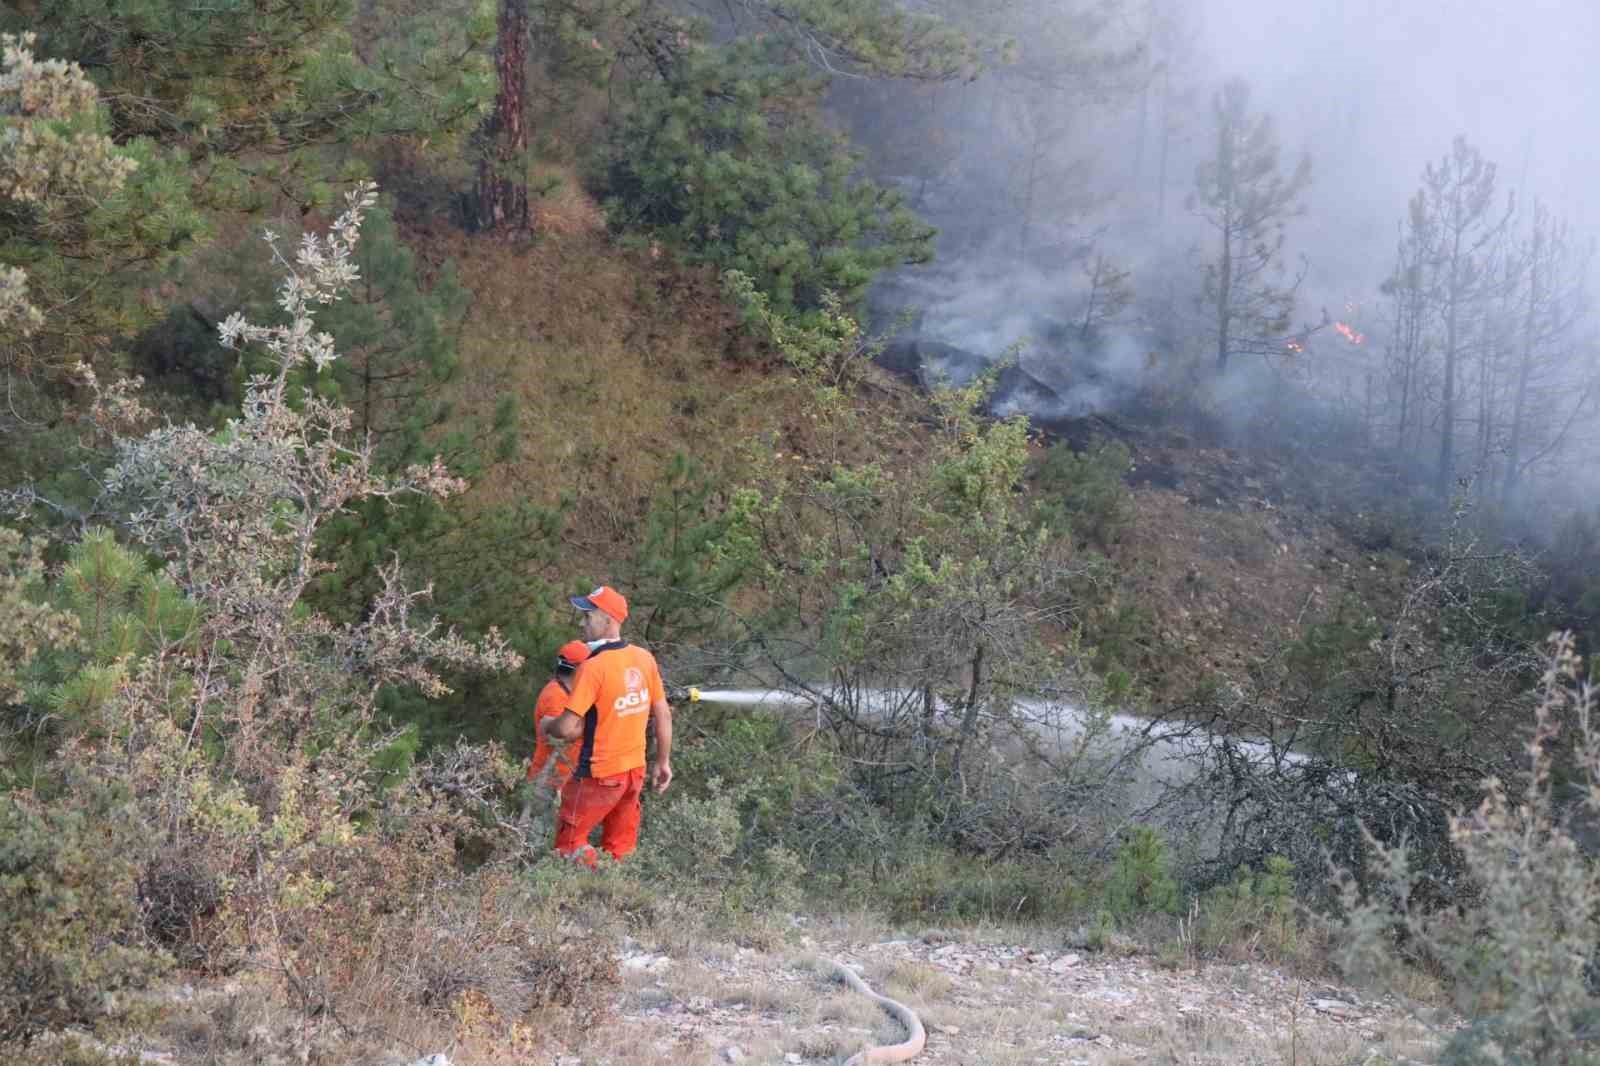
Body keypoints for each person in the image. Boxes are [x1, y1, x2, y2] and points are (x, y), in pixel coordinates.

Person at [540, 585, 673, 864]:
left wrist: (548, 725)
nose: (582, 623)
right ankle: (610, 899)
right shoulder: (643, 658)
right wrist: (662, 762)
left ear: (609, 620)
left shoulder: (593, 667)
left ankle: (575, 898)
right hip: (633, 773)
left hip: (598, 774)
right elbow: (662, 712)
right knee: (620, 850)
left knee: (569, 845)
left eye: (588, 616)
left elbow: (565, 729)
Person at [526, 640, 592, 791]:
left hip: (564, 781)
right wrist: (591, 723)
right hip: (548, 784)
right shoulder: (555, 696)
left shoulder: (571, 692)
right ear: (579, 669)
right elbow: (562, 736)